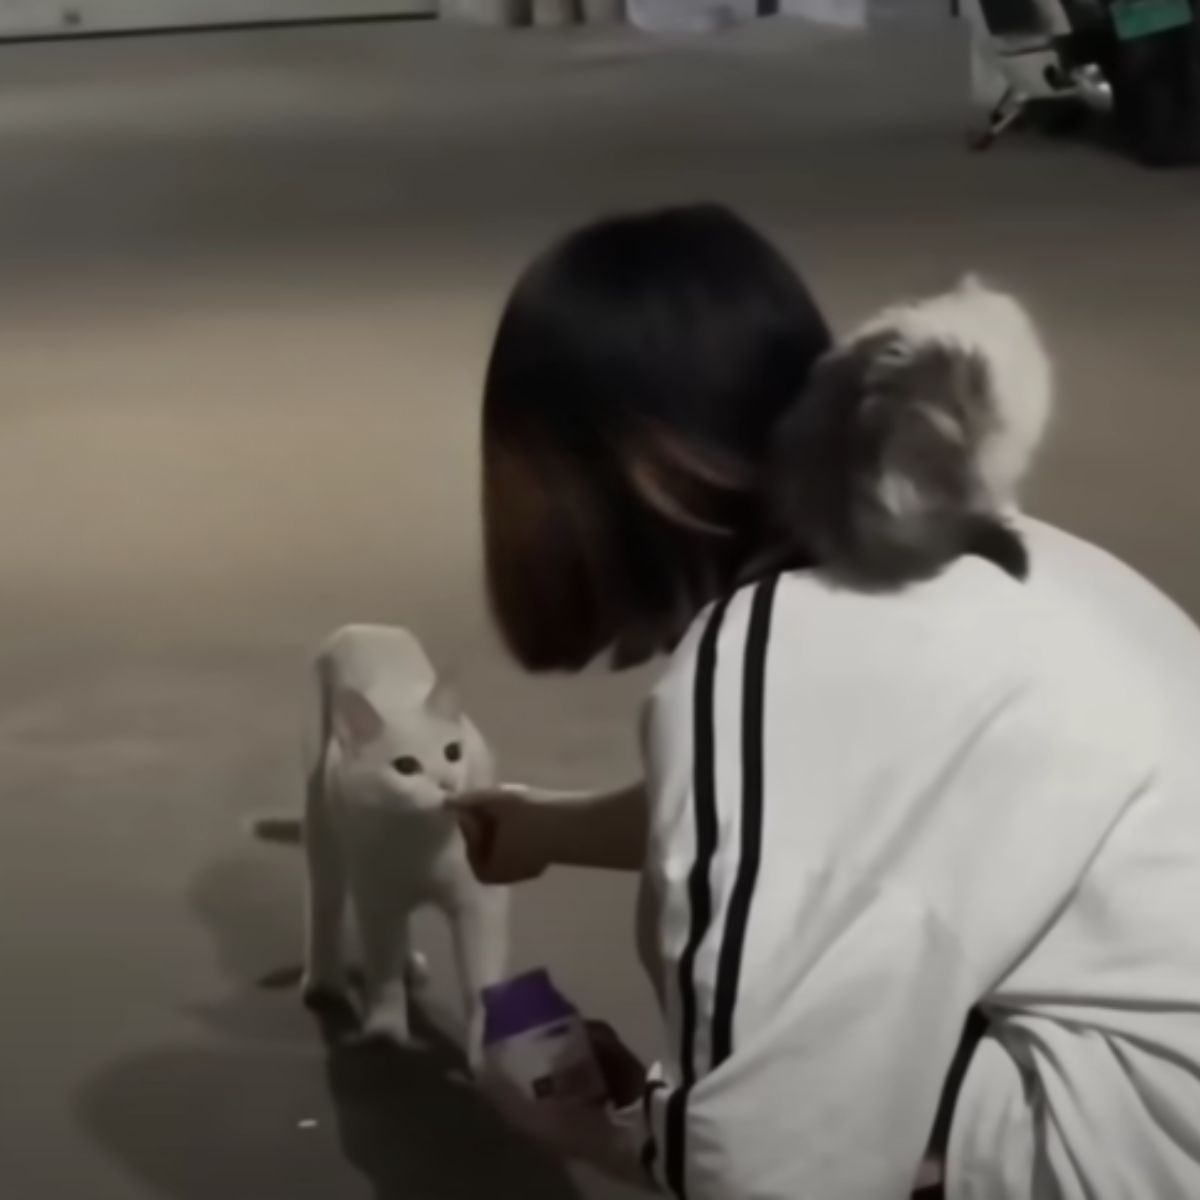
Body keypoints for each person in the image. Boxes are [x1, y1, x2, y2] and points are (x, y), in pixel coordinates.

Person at [452, 204, 1200, 1199]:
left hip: (1159, 1145)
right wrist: (551, 828)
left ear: (617, 469)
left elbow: (774, 1169)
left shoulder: (768, 654)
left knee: (793, 1064)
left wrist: (609, 1134)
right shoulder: (963, 545)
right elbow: (851, 810)